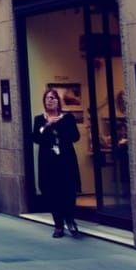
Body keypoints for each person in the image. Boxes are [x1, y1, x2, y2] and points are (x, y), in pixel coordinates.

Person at [32, 88, 81, 238]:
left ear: (58, 101)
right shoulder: (39, 119)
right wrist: (48, 125)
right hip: (48, 162)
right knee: (52, 193)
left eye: (53, 98)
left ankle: (70, 220)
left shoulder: (67, 118)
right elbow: (36, 138)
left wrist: (59, 125)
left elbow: (75, 137)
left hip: (65, 161)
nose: (50, 100)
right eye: (47, 98)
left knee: (68, 191)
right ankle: (58, 225)